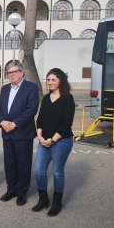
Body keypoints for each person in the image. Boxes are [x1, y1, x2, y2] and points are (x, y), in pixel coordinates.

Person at [32, 68, 75, 216]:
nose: (50, 82)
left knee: (57, 172)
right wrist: (40, 136)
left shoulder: (67, 98)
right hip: (44, 140)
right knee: (38, 170)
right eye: (48, 80)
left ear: (61, 81)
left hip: (61, 141)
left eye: (53, 80)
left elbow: (66, 123)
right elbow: (40, 119)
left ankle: (57, 202)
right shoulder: (45, 98)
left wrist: (52, 140)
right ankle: (43, 199)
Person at [0, 61, 39, 206]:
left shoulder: (31, 87)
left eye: (14, 72)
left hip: (23, 132)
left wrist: (14, 124)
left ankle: (22, 192)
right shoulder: (5, 88)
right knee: (9, 163)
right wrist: (2, 122)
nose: (11, 75)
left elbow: (31, 109)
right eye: (9, 73)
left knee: (23, 164)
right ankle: (11, 189)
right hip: (7, 133)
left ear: (22, 72)